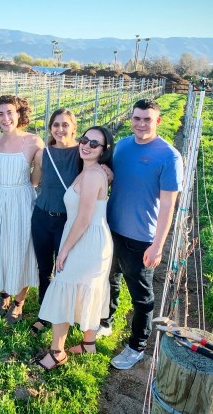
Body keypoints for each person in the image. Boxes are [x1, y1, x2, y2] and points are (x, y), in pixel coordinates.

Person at [99, 98, 183, 370]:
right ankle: (106, 322)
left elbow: (169, 205)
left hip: (141, 238)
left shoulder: (169, 156)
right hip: (112, 228)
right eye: (137, 118)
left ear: (157, 121)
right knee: (110, 280)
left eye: (147, 119)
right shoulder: (122, 145)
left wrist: (158, 246)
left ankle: (137, 345)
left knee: (141, 296)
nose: (141, 123)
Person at [37, 126, 114, 370]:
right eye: (84, 140)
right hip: (91, 237)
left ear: (103, 151)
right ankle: (88, 343)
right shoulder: (90, 170)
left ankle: (57, 351)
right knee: (89, 289)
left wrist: (64, 249)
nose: (86, 145)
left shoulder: (92, 175)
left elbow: (83, 217)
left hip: (87, 239)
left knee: (65, 287)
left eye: (94, 144)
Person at [0, 95, 43, 323]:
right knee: (0, 247)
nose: (5, 118)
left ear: (19, 113)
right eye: (0, 114)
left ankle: (18, 302)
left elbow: (36, 176)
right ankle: (4, 296)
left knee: (21, 249)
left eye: (10, 112)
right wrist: (1, 180)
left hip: (21, 200)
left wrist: (20, 185)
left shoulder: (33, 141)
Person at [30, 108, 80, 334]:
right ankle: (44, 311)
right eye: (56, 125)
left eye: (65, 124)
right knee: (44, 268)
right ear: (50, 128)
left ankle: (64, 314)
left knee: (65, 270)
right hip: (41, 216)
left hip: (67, 221)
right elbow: (34, 181)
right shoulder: (43, 154)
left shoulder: (82, 153)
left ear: (74, 127)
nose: (60, 129)